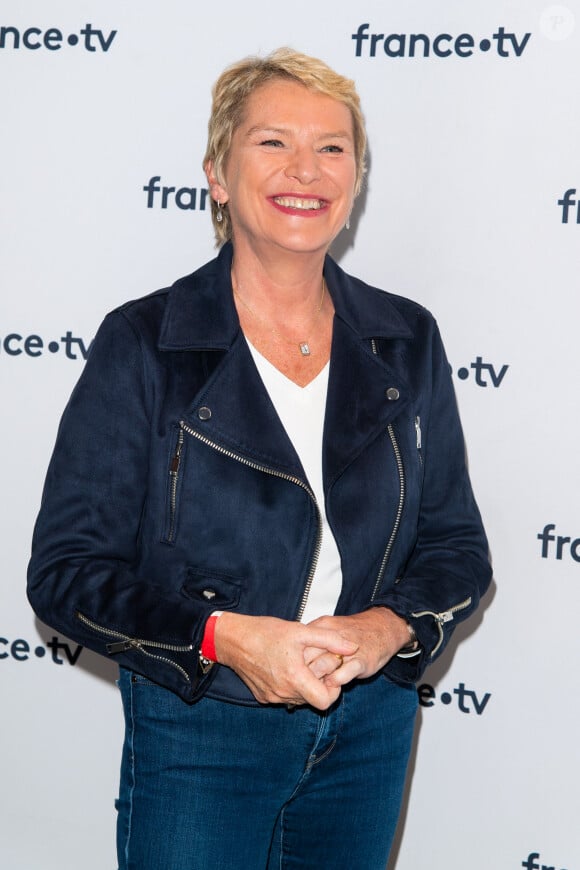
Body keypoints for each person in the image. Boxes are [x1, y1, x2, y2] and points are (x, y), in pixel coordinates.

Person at [28, 47, 491, 870]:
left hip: (372, 727)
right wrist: (224, 639)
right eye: (273, 142)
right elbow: (65, 572)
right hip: (204, 729)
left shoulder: (406, 337)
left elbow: (457, 546)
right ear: (216, 173)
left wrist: (387, 629)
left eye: (333, 147)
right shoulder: (144, 342)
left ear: (356, 180)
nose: (305, 170)